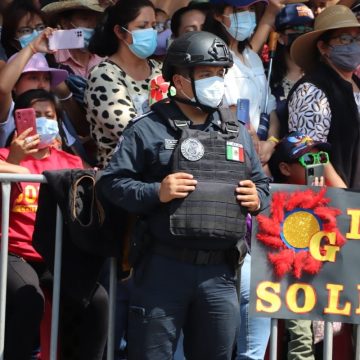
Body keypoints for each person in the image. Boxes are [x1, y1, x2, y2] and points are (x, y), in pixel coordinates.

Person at [97, 30, 270, 360]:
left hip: (220, 273)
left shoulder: (236, 130)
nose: (217, 81)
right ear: (180, 78)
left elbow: (261, 184)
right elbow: (112, 183)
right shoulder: (148, 127)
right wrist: (155, 192)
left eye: (221, 73)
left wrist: (258, 198)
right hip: (163, 268)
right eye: (206, 74)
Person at [1, 88, 108, 360]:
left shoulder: (70, 161)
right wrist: (15, 161)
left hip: (54, 251)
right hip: (13, 253)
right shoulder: (3, 157)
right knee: (29, 299)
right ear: (19, 119)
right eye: (34, 115)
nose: (43, 121)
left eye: (49, 115)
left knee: (98, 301)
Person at [268, 131, 343, 360]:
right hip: (293, 283)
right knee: (301, 339)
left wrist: (320, 193)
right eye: (309, 160)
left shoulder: (330, 193)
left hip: (324, 279)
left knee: (330, 340)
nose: (318, 164)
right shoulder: (274, 196)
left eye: (321, 158)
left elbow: (349, 203)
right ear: (285, 169)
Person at [288, 5, 359, 188]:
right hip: (337, 203)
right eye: (344, 38)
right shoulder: (311, 90)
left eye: (358, 38)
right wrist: (345, 196)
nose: (354, 44)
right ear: (323, 47)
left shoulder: (357, 83)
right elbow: (310, 150)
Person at [85, 0, 162, 168]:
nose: (150, 32)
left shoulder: (160, 71)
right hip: (122, 174)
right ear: (120, 32)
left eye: (153, 26)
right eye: (142, 26)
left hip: (163, 168)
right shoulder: (103, 75)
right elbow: (131, 130)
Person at [0, 28, 68, 147]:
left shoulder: (53, 111)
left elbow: (75, 156)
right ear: (14, 85)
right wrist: (32, 47)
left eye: (46, 79)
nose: (41, 85)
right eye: (33, 78)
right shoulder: (8, 111)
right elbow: (3, 88)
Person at [270, 3, 314, 137]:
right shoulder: (268, 77)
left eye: (309, 29)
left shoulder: (321, 75)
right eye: (298, 29)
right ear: (280, 37)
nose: (304, 35)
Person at [41, 0, 104, 77]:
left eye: (97, 20)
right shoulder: (50, 57)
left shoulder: (104, 57)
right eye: (85, 18)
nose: (92, 25)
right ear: (65, 23)